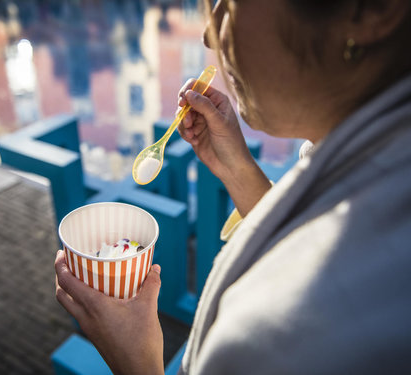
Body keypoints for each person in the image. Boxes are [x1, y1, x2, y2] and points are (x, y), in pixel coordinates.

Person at [55, 0, 411, 373]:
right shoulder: (370, 166)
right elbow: (299, 242)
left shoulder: (313, 324)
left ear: (372, 8)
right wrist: (239, 169)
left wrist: (136, 361)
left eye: (229, 4)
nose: (211, 33)